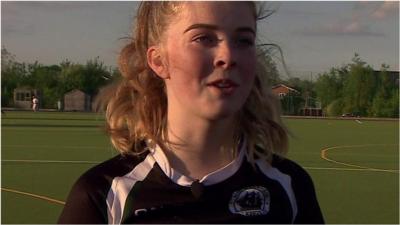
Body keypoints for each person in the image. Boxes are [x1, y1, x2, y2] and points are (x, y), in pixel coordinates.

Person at [58, 2, 324, 224]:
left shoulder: (289, 188)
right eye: (203, 38)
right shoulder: (105, 194)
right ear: (158, 61)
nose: (227, 55)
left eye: (244, 40)